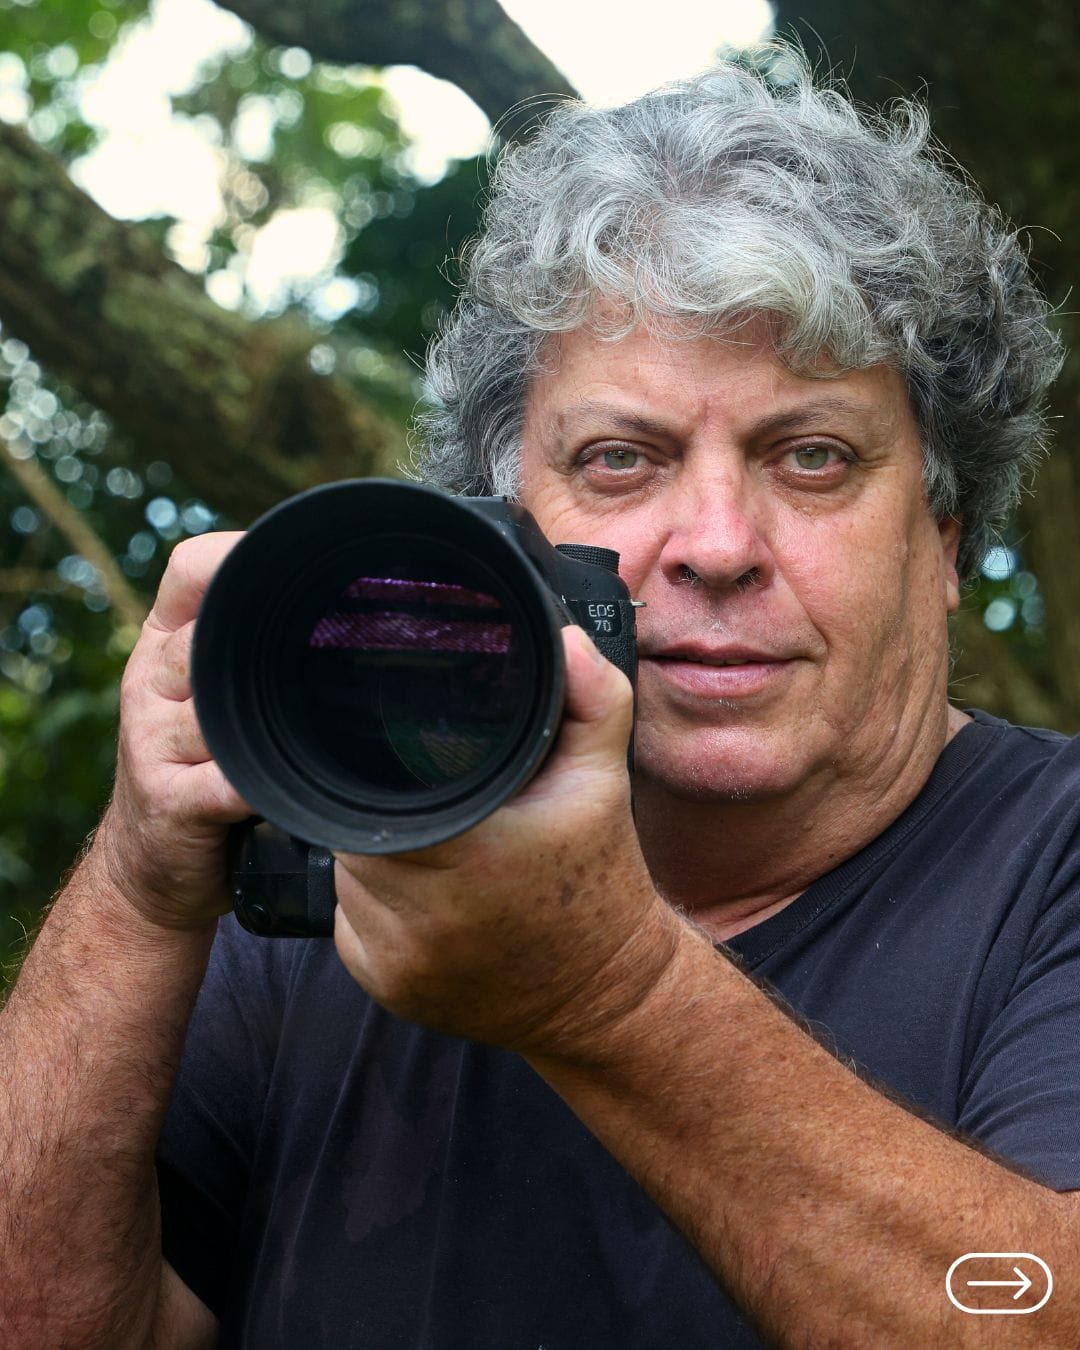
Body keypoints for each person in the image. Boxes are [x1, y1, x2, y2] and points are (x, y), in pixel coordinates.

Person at [1, 48, 1076, 1349]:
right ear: (506, 527)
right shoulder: (363, 842)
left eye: (813, 456)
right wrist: (136, 885)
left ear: (945, 540)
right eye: (622, 460)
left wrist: (609, 990)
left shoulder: (1053, 862)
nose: (717, 544)